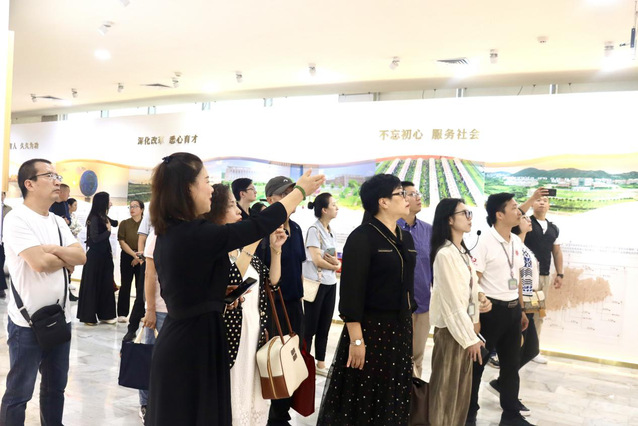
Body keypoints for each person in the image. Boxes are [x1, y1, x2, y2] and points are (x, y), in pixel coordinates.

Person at [145, 153, 323, 426]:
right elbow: (257, 225)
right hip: (191, 345)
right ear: (188, 188)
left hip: (192, 338)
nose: (210, 189)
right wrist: (298, 192)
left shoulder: (177, 231)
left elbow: (189, 287)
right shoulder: (193, 233)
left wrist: (218, 296)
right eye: (206, 181)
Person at [318, 174, 416, 425]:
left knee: (392, 397)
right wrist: (357, 340)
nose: (407, 198)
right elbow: (351, 293)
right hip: (371, 330)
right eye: (401, 193)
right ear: (383, 202)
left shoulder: (405, 237)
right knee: (365, 396)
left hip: (400, 328)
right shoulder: (362, 237)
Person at [0, 158, 86, 425]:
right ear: (29, 184)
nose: (57, 181)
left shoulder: (58, 222)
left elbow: (81, 257)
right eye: (50, 176)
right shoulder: (16, 219)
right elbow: (39, 263)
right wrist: (63, 258)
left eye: (57, 176)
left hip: (60, 319)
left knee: (55, 389)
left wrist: (54, 250)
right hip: (26, 323)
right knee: (19, 393)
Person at [205, 183, 287, 426]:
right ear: (217, 211)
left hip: (254, 329)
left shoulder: (243, 249)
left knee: (253, 389)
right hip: (230, 333)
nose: (239, 211)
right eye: (232, 206)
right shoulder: (216, 249)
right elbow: (232, 282)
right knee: (234, 387)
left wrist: (276, 250)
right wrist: (254, 239)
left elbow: (272, 283)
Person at [467, 193, 533, 426]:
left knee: (511, 365)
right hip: (490, 312)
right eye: (514, 208)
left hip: (513, 311)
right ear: (499, 214)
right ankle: (469, 413)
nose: (519, 212)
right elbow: (473, 282)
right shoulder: (484, 241)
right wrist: (475, 317)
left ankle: (511, 415)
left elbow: (517, 277)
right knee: (478, 365)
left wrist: (522, 310)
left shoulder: (515, 240)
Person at [428, 198, 491, 426]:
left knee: (460, 395)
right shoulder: (445, 254)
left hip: (464, 331)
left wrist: (481, 297)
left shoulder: (461, 251)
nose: (469, 217)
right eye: (464, 213)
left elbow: (469, 285)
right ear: (449, 219)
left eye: (469, 212)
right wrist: (469, 338)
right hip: (452, 333)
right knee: (445, 393)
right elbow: (452, 303)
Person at [263, 175, 308, 426]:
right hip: (271, 305)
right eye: (284, 194)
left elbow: (298, 266)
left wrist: (300, 298)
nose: (291, 198)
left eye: (293, 192)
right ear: (271, 200)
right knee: (272, 360)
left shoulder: (297, 228)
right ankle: (271, 416)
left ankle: (281, 415)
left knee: (292, 357)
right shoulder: (263, 229)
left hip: (293, 304)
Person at [487, 209, 540, 416]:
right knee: (525, 349)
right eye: (523, 217)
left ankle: (504, 386)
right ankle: (503, 386)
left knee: (529, 349)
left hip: (524, 303)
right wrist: (523, 305)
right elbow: (518, 278)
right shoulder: (510, 245)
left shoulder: (520, 244)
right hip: (516, 303)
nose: (526, 219)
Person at [518, 188, 563, 364]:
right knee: (524, 313)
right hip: (527, 277)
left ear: (549, 205)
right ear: (533, 203)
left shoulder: (553, 228)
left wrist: (560, 273)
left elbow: (557, 252)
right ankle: (516, 349)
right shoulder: (525, 223)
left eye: (545, 200)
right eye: (539, 200)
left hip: (544, 277)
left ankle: (533, 351)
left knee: (538, 314)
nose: (542, 202)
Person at [397, 180, 432, 379]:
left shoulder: (428, 230)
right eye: (412, 194)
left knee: (417, 356)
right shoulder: (392, 229)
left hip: (423, 304)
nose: (418, 197)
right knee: (399, 356)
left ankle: (414, 392)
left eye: (418, 193)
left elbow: (433, 268)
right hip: (398, 306)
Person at [302, 192, 340, 376]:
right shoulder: (314, 230)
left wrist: (335, 264)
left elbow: (334, 258)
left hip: (330, 283)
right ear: (324, 210)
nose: (337, 207)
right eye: (333, 205)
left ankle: (321, 363)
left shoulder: (331, 231)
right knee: (310, 326)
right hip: (316, 284)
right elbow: (317, 260)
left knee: (325, 325)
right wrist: (335, 265)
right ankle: (305, 362)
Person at [76, 192, 118, 326]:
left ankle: (106, 315)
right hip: (95, 257)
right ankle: (88, 317)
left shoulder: (102, 216)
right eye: (108, 200)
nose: (110, 203)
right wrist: (108, 232)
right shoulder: (94, 217)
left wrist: (110, 222)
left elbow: (115, 223)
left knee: (106, 285)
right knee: (92, 286)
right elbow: (95, 238)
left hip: (105, 256)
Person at [138, 227, 166, 424]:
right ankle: (146, 404)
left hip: (181, 310)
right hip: (160, 309)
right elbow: (150, 274)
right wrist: (150, 309)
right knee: (150, 358)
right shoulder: (158, 234)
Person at [117, 200, 146, 343]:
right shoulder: (124, 223)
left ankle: (141, 313)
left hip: (143, 257)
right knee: (125, 284)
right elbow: (122, 241)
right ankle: (122, 313)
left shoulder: (146, 223)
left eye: (135, 206)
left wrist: (139, 257)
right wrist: (134, 255)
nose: (132, 209)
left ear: (142, 209)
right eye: (131, 206)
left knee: (141, 287)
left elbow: (147, 241)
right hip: (127, 256)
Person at [0, 191, 13, 299]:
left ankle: (1, 289)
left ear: (4, 196)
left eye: (1, 194)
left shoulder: (9, 209)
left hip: (3, 241)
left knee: (0, 264)